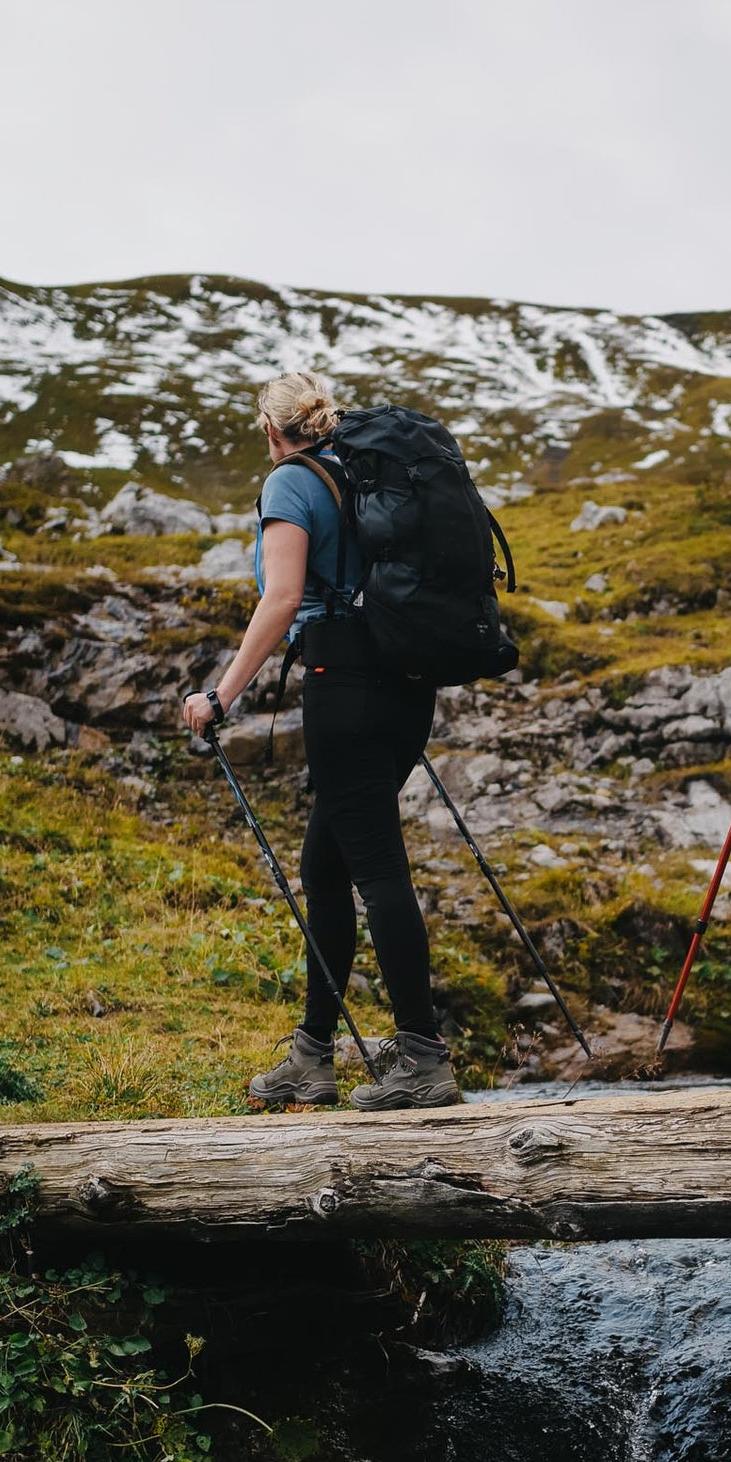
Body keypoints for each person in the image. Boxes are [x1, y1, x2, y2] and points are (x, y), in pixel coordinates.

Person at [181, 371, 459, 1111]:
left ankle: (424, 1060)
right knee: (325, 866)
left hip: (346, 686)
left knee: (373, 869)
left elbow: (280, 597)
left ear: (272, 432)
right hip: (406, 685)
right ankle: (312, 1055)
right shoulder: (367, 470)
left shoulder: (291, 484)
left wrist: (220, 693)